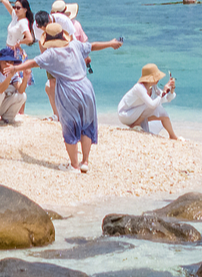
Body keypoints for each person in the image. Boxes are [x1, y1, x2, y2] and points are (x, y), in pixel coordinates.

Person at [10, 21, 122, 172]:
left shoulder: (51, 54)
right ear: (63, 36)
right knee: (86, 124)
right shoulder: (75, 45)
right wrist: (111, 43)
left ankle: (74, 165)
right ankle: (85, 162)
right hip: (86, 87)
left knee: (70, 126)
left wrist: (15, 68)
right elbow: (93, 46)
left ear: (47, 40)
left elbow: (32, 63)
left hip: (68, 90)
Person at [116, 64, 179, 138]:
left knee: (162, 112)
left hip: (136, 113)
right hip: (125, 114)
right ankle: (136, 124)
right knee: (152, 104)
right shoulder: (139, 88)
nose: (158, 79)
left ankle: (173, 136)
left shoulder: (152, 87)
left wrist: (172, 89)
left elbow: (167, 98)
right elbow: (151, 105)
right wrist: (164, 92)